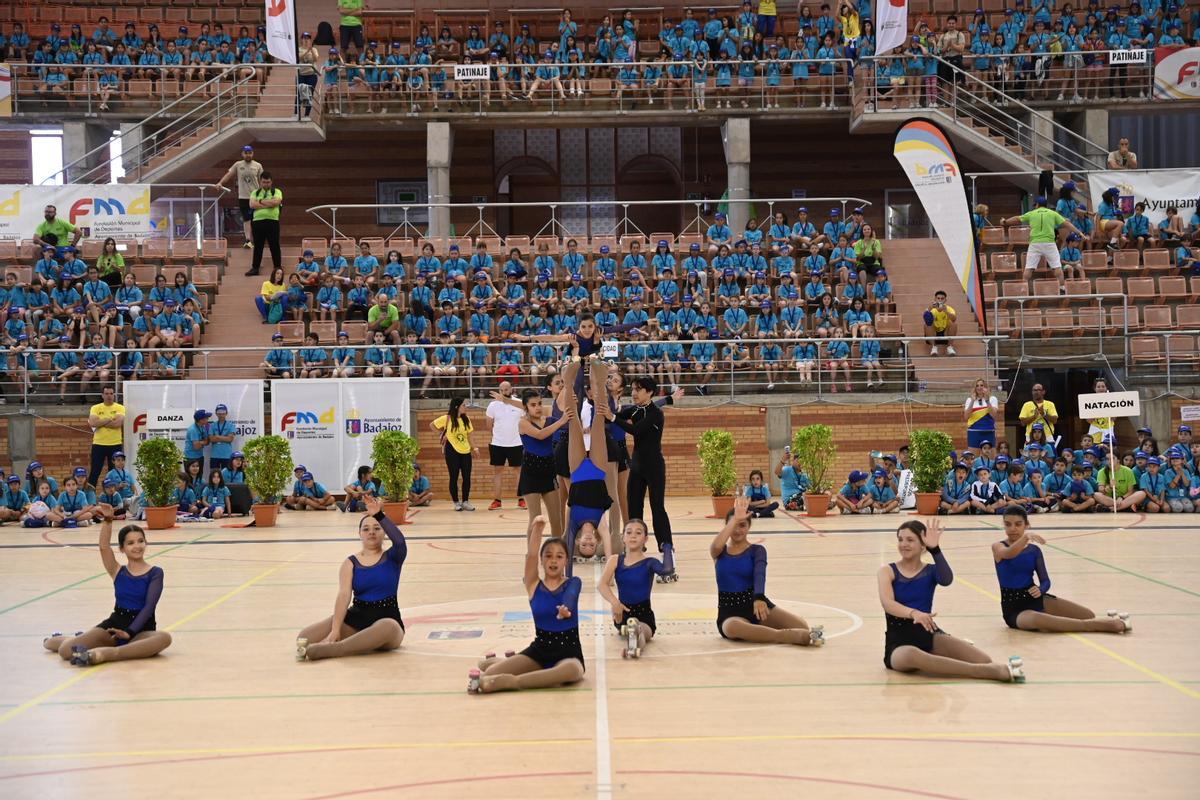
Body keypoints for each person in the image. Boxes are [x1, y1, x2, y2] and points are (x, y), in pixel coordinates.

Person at [879, 519, 1025, 682]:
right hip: (899, 643)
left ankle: (977, 664)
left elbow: (947, 579)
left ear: (923, 544)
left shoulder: (931, 570)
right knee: (914, 655)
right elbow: (888, 603)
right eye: (900, 539)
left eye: (910, 540)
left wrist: (935, 550)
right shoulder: (887, 571)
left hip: (928, 634)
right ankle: (983, 672)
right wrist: (914, 613)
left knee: (984, 659)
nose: (903, 544)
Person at [42, 507, 172, 666]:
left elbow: (149, 606)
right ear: (122, 549)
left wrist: (129, 632)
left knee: (164, 638)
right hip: (114, 625)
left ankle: (108, 653)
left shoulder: (155, 573)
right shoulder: (117, 571)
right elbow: (104, 547)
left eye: (140, 541)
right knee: (65, 651)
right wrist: (108, 520)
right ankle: (64, 640)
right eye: (130, 543)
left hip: (140, 630)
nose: (137, 546)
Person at [469, 515, 584, 693]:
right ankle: (497, 663)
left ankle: (512, 682)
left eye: (559, 556)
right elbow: (530, 556)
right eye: (548, 556)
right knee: (491, 672)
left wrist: (565, 610)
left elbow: (571, 596)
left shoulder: (574, 582)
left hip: (568, 653)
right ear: (542, 560)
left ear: (566, 561)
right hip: (540, 650)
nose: (553, 560)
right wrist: (537, 530)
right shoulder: (533, 585)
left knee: (572, 672)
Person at [296, 496, 407, 661]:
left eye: (377, 528)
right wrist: (335, 630)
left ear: (384, 532)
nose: (371, 532)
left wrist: (379, 515)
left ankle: (337, 649)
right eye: (366, 529)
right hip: (357, 618)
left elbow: (399, 541)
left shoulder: (393, 557)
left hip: (387, 617)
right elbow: (343, 596)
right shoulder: (350, 563)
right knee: (304, 637)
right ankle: (341, 641)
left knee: (388, 627)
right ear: (359, 533)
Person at [993, 507, 1131, 633]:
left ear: (1026, 525)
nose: (1013, 528)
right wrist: (1025, 537)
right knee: (1039, 620)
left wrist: (1040, 590)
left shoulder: (1034, 551)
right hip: (1015, 610)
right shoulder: (998, 547)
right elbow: (1009, 554)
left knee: (1088, 615)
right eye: (1008, 524)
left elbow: (1046, 581)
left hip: (1035, 599)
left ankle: (1091, 622)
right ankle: (1094, 626)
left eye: (1018, 524)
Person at [711, 495, 825, 646]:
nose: (738, 530)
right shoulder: (719, 552)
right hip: (730, 614)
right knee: (732, 628)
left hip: (756, 604)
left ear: (749, 527)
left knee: (802, 626)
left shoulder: (757, 550)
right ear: (727, 525)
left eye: (742, 525)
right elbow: (716, 545)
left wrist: (759, 598)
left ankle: (762, 629)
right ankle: (782, 636)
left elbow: (760, 574)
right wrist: (735, 519)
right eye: (734, 525)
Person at [614, 375, 676, 572]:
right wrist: (610, 407)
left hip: (654, 466)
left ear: (649, 392)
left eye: (638, 389)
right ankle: (634, 547)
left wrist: (613, 418)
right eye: (632, 389)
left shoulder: (656, 414)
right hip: (637, 465)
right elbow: (618, 413)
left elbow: (636, 430)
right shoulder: (635, 409)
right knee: (634, 508)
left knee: (658, 507)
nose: (634, 393)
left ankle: (666, 548)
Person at [598, 518, 674, 659]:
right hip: (623, 613)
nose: (633, 535)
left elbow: (667, 570)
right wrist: (615, 603)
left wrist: (667, 547)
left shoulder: (649, 563)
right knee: (632, 627)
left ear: (645, 539)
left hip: (644, 614)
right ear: (623, 537)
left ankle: (633, 646)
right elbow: (602, 584)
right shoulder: (615, 560)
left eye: (638, 533)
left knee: (641, 630)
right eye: (629, 532)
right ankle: (633, 634)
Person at [516, 388, 570, 538]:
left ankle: (557, 552)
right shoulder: (523, 423)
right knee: (536, 519)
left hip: (549, 471)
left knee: (556, 519)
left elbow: (567, 421)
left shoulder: (550, 421)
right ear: (526, 407)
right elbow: (540, 435)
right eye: (533, 405)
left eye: (539, 403)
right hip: (530, 473)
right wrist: (561, 421)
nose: (538, 407)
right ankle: (532, 555)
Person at [1000, 196, 1082, 294]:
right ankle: (1062, 288)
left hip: (1035, 244)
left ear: (1037, 205)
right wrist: (1079, 233)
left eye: (1035, 205)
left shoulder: (1032, 213)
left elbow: (1017, 219)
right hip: (1049, 243)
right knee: (1057, 267)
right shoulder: (1053, 213)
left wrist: (1005, 222)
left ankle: (1023, 289)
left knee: (1029, 267)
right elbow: (1067, 224)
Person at [431, 396, 478, 511]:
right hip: (451, 451)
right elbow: (432, 425)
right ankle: (456, 502)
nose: (465, 407)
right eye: (463, 405)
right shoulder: (446, 418)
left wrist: (475, 448)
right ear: (457, 406)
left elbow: (470, 435)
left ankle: (465, 501)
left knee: (467, 477)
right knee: (454, 477)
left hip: (466, 451)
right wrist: (442, 434)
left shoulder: (466, 419)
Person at [485, 380, 526, 511]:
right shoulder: (492, 405)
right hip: (497, 444)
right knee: (497, 472)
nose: (504, 392)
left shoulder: (519, 403)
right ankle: (497, 500)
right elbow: (488, 425)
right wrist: (499, 436)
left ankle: (521, 499)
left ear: (511, 389)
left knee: (519, 471)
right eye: (501, 390)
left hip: (516, 443)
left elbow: (526, 419)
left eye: (506, 389)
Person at [215, 145, 262, 248]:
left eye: (249, 153)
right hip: (243, 197)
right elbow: (228, 174)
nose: (248, 155)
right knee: (246, 219)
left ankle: (258, 240)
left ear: (252, 153)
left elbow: (262, 180)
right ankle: (248, 240)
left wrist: (263, 194)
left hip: (255, 197)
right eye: (246, 153)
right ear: (242, 154)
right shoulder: (238, 165)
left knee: (256, 219)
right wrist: (220, 183)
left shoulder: (258, 165)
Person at [246, 171, 282, 277]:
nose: (266, 184)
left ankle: (277, 267)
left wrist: (260, 202)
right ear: (260, 182)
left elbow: (276, 202)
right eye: (264, 182)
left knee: (274, 245)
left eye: (268, 182)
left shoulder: (277, 191)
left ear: (271, 182)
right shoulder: (255, 193)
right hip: (258, 222)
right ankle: (255, 268)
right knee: (258, 246)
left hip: (273, 221)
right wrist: (269, 203)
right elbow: (252, 204)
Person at [87, 385, 125, 487]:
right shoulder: (95, 408)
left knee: (114, 473)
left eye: (111, 394)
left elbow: (117, 424)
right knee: (95, 471)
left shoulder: (120, 407)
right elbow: (92, 422)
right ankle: (90, 497)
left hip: (115, 444)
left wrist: (101, 421)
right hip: (99, 444)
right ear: (102, 395)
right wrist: (109, 419)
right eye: (107, 394)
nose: (109, 396)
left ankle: (114, 497)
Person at [963, 378, 999, 449]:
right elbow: (966, 417)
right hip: (974, 432)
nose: (979, 387)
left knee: (990, 458)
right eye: (977, 386)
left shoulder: (992, 399)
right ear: (974, 388)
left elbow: (994, 415)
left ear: (985, 387)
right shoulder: (969, 400)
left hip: (989, 431)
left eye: (981, 385)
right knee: (974, 458)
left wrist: (987, 400)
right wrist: (972, 401)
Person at [922, 289, 958, 356]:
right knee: (927, 324)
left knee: (953, 324)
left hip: (945, 333)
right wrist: (929, 309)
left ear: (945, 300)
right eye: (938, 298)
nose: (940, 300)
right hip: (934, 334)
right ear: (935, 299)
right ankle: (934, 347)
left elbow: (954, 319)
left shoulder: (949, 309)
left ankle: (950, 347)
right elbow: (925, 319)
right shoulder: (931, 309)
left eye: (942, 298)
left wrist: (946, 311)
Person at [207, 403, 236, 472]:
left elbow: (230, 439)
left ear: (226, 413)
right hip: (214, 455)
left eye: (223, 413)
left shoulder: (231, 425)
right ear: (216, 414)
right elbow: (211, 439)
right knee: (213, 475)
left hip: (226, 455)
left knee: (226, 475)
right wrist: (224, 437)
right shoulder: (212, 425)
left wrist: (217, 436)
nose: (221, 415)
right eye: (219, 413)